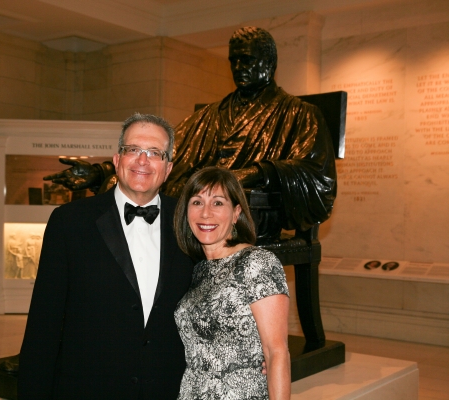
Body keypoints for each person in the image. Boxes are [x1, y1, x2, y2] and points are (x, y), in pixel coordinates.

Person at [45, 26, 337, 243]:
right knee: (139, 201)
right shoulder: (211, 115)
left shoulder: (300, 114)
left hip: (250, 216)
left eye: (246, 60)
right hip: (195, 208)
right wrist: (102, 171)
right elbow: (166, 156)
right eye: (233, 60)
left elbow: (316, 176)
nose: (238, 68)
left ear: (269, 64)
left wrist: (252, 174)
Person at [18, 113, 194, 399]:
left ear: (169, 168)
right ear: (116, 159)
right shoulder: (69, 222)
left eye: (154, 153)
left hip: (166, 389)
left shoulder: (189, 222)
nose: (142, 160)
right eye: (133, 150)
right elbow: (43, 324)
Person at [173, 166, 290, 400]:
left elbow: (276, 353)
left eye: (217, 203)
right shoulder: (197, 270)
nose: (206, 213)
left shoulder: (257, 263)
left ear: (236, 213)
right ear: (186, 212)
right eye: (197, 202)